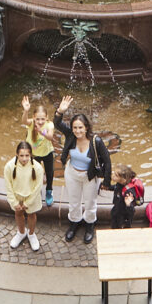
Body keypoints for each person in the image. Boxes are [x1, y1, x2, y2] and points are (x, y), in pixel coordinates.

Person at [55, 97, 110, 243]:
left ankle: (90, 224)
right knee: (74, 201)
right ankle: (74, 222)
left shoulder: (96, 141)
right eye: (75, 128)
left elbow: (107, 161)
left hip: (89, 177)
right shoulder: (71, 136)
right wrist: (60, 111)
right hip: (72, 174)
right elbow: (57, 124)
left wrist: (107, 181)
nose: (77, 131)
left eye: (80, 127)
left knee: (90, 202)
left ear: (86, 127)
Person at [4, 140, 43, 250]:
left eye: (27, 155)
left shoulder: (37, 168)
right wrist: (14, 202)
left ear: (30, 155)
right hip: (17, 197)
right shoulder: (9, 166)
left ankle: (31, 234)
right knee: (18, 214)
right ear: (17, 154)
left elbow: (38, 187)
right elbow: (8, 185)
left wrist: (28, 203)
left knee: (32, 215)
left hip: (31, 198)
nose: (24, 159)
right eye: (21, 155)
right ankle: (21, 232)